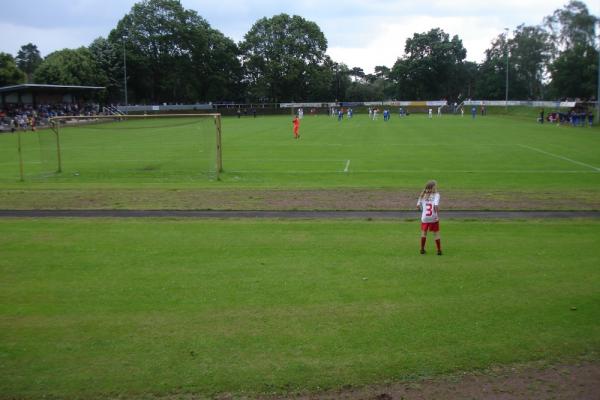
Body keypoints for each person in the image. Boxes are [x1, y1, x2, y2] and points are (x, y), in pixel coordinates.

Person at [416, 180, 442, 255]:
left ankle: (422, 249)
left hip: (425, 217)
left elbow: (417, 206)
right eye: (435, 187)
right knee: (436, 233)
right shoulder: (437, 195)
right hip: (433, 217)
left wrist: (423, 211)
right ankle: (439, 250)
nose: (436, 188)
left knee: (424, 233)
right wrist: (438, 214)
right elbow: (436, 206)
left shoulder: (422, 195)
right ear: (432, 188)